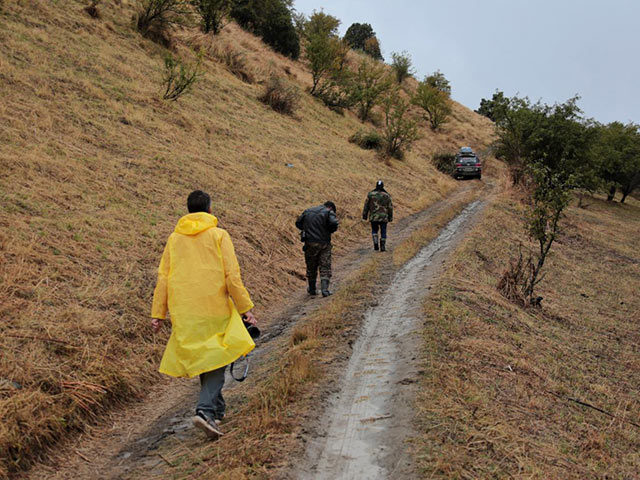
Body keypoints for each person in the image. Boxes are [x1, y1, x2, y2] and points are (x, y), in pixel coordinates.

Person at [151, 190, 257, 440]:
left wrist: (158, 313)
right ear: (210, 209)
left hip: (184, 310)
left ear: (189, 210)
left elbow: (163, 277)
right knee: (217, 358)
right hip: (213, 307)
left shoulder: (174, 239)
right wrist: (246, 309)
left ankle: (217, 409)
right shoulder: (219, 235)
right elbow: (232, 276)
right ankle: (205, 410)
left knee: (205, 357)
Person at [295, 201, 339, 297]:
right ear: (331, 208)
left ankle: (312, 289)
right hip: (324, 243)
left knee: (311, 266)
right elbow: (334, 223)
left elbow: (298, 223)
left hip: (310, 243)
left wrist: (306, 229)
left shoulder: (308, 211)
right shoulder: (328, 212)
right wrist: (329, 230)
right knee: (325, 265)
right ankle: (325, 290)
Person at [362, 180, 393, 251]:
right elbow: (390, 207)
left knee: (374, 230)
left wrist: (365, 215)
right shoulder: (386, 195)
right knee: (383, 231)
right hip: (384, 217)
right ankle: (383, 246)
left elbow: (366, 206)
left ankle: (375, 244)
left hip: (374, 216)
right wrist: (390, 217)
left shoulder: (370, 194)